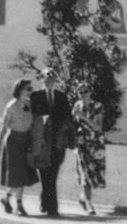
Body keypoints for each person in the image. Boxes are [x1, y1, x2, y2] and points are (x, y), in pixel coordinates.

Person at [28, 68, 73, 216]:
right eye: (47, 78)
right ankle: (52, 208)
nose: (50, 81)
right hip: (42, 142)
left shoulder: (61, 97)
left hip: (57, 142)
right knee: (45, 173)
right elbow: (32, 118)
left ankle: (45, 202)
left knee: (52, 174)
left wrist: (68, 138)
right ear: (42, 79)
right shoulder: (35, 96)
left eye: (53, 79)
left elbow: (68, 119)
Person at [0, 80, 37, 216]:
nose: (29, 92)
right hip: (13, 141)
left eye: (31, 89)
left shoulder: (30, 105)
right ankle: (19, 205)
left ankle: (7, 199)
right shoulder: (11, 106)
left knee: (22, 174)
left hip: (25, 140)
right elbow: (4, 127)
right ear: (19, 90)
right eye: (27, 89)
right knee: (16, 174)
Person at [72, 84, 107, 215]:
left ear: (90, 93)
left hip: (96, 143)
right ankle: (89, 204)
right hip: (81, 143)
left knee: (93, 174)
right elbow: (73, 125)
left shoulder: (98, 106)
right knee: (85, 173)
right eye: (80, 92)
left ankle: (83, 198)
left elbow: (98, 127)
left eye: (86, 91)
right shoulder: (76, 106)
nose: (83, 94)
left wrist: (83, 117)